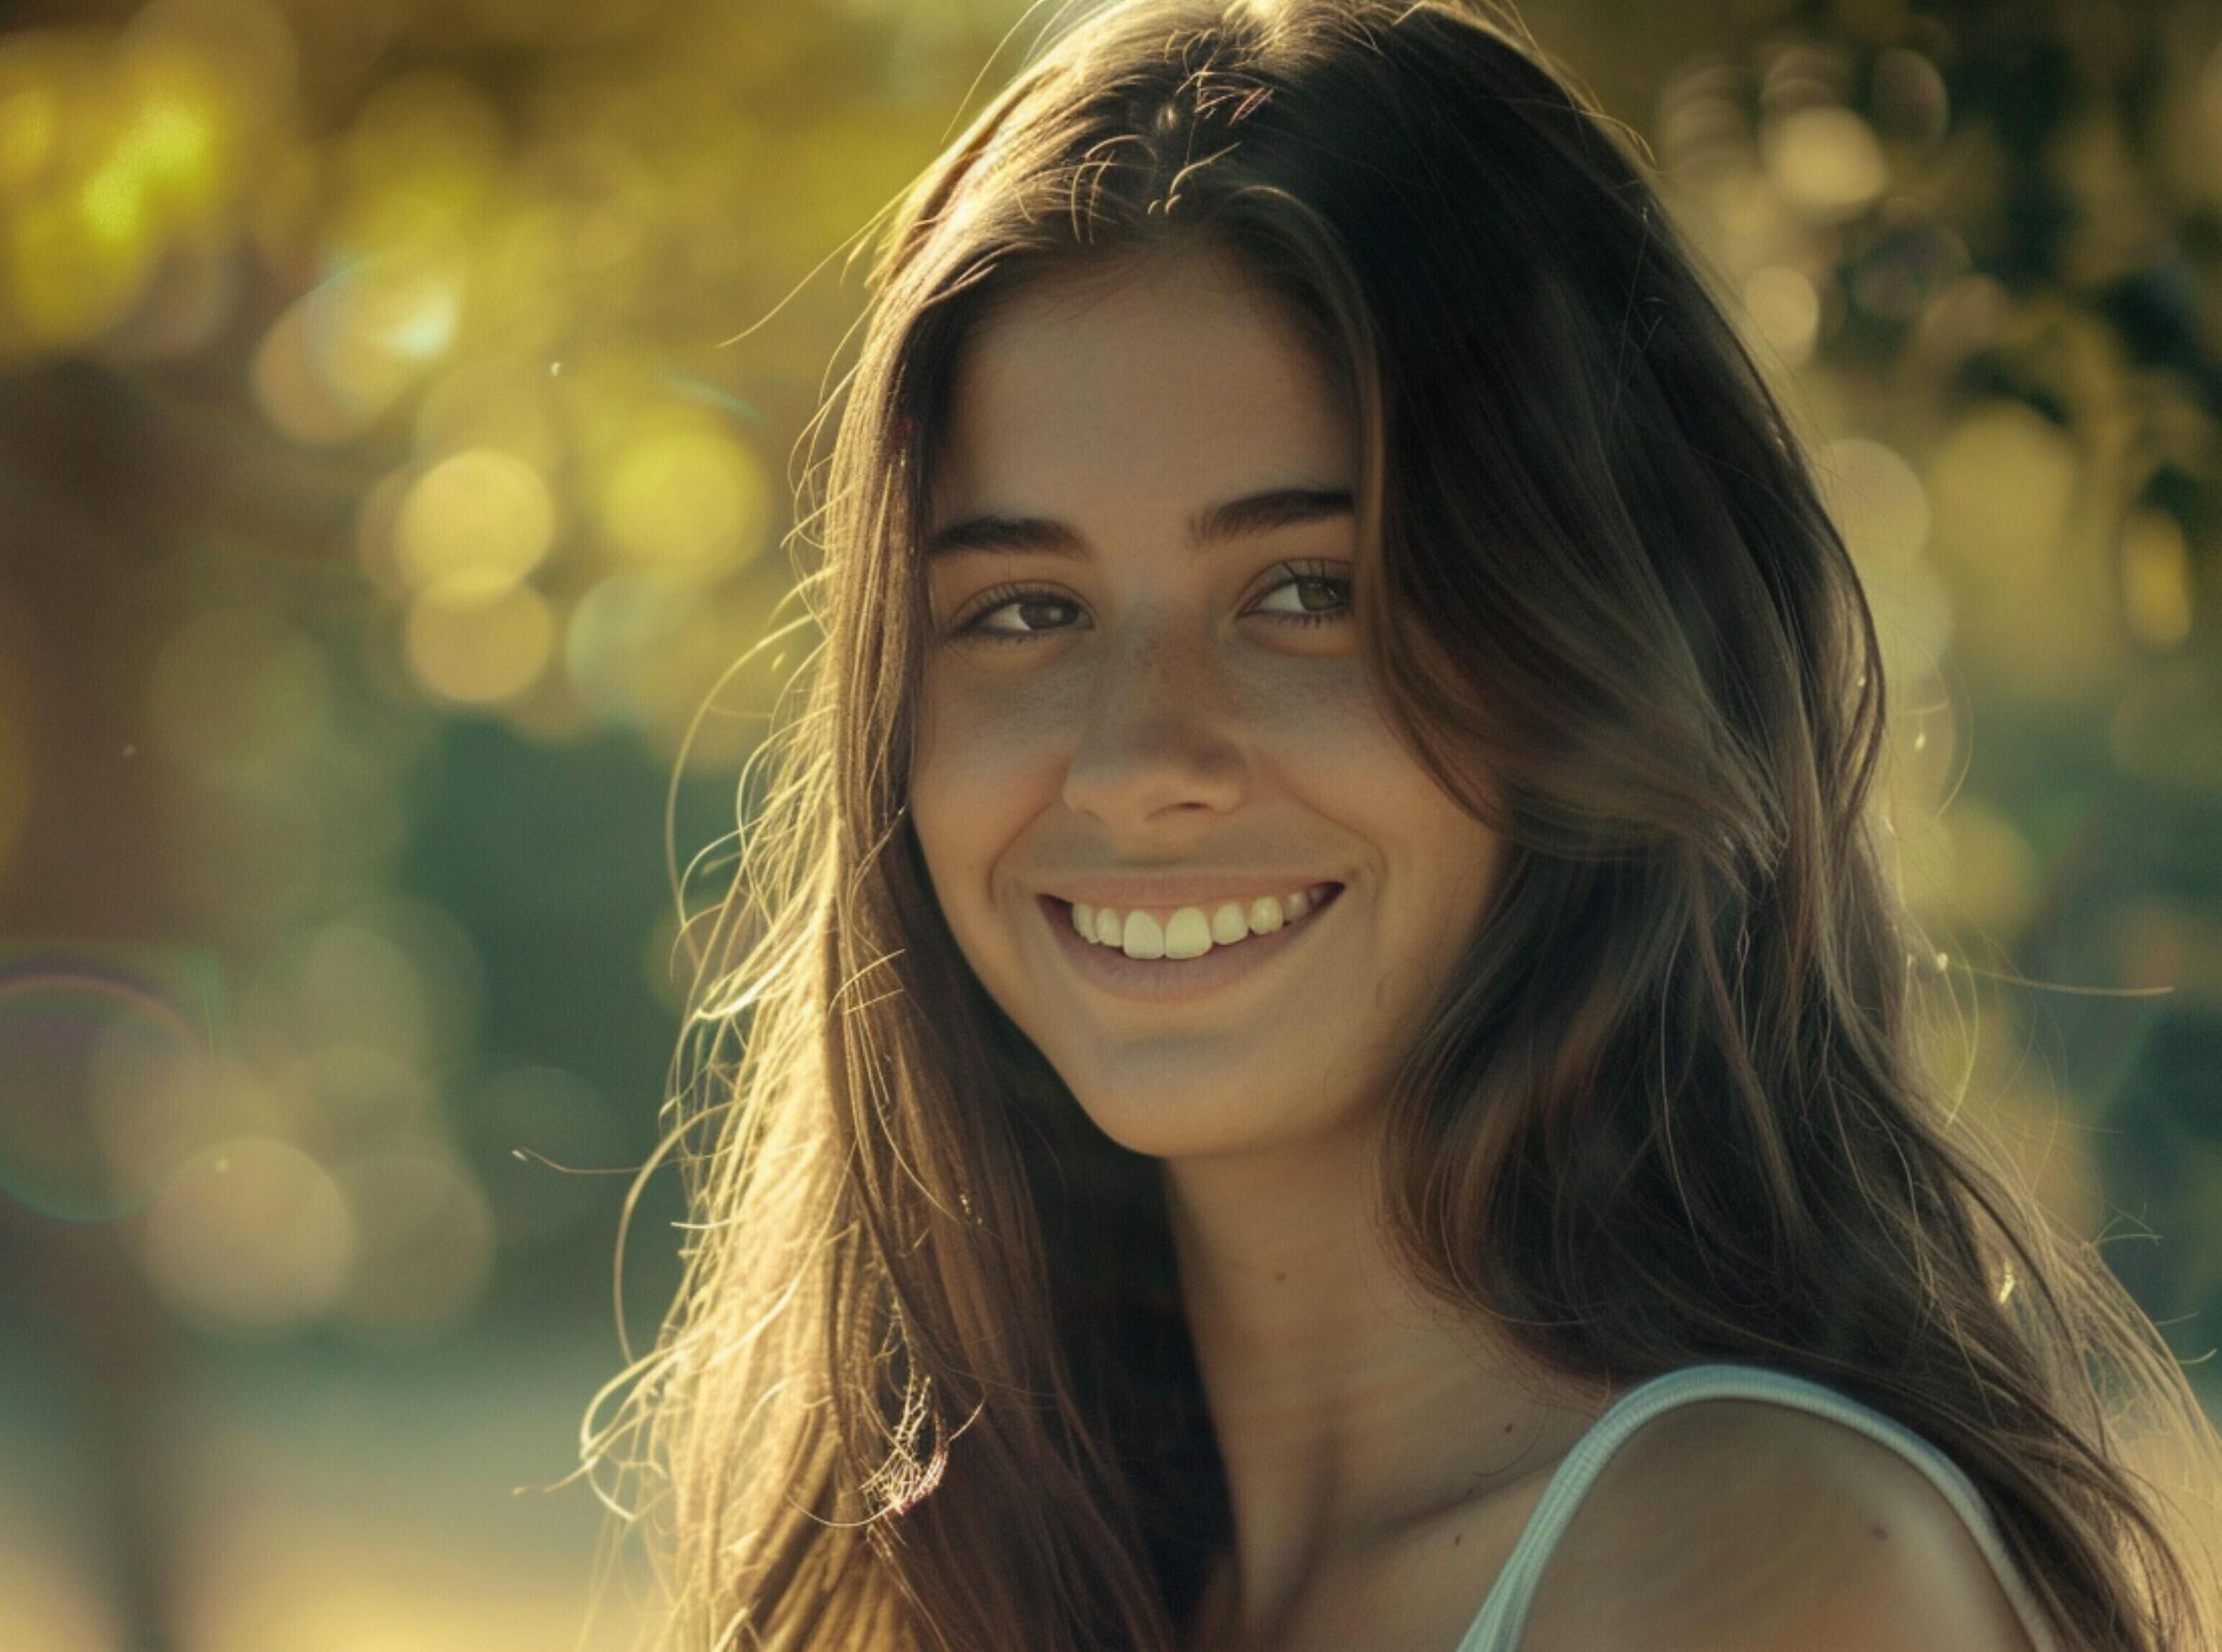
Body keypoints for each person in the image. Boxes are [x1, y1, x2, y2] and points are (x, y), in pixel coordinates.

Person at [584, 0, 2222, 1645]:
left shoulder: (1748, 1567)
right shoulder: (978, 1563)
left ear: (1591, 651)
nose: (1139, 760)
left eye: (1304, 591)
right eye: (1023, 609)